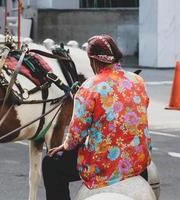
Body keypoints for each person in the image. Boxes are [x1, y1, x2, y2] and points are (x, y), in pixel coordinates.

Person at [42, 34, 152, 200]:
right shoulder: (138, 81)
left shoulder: (89, 86)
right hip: (139, 160)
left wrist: (64, 146)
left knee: (50, 164)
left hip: (105, 164)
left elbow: (76, 135)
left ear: (93, 60)